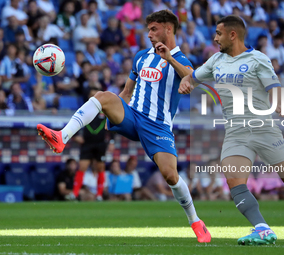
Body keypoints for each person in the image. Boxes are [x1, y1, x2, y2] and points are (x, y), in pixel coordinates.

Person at [37, 10, 211, 243]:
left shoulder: (181, 60)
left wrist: (168, 58)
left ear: (168, 29)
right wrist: (112, 113)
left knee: (170, 175)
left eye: (154, 29)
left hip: (158, 127)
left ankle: (195, 221)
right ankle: (62, 136)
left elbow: (192, 79)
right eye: (148, 29)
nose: (148, 34)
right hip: (133, 115)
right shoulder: (141, 57)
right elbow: (127, 92)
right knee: (104, 96)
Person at [179, 15, 284, 245]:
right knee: (233, 179)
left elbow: (273, 86)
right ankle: (262, 230)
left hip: (264, 129)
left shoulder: (257, 59)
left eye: (219, 34)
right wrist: (185, 79)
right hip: (235, 133)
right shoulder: (216, 60)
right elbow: (192, 77)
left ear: (233, 35)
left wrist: (279, 103)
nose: (215, 38)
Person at [71, 88, 107, 201]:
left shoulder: (105, 110)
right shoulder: (84, 110)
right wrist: (75, 136)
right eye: (91, 95)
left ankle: (99, 194)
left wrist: (111, 141)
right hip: (87, 143)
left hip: (100, 143)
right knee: (82, 166)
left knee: (100, 167)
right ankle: (75, 193)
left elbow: (113, 124)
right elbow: (75, 122)